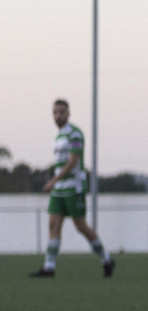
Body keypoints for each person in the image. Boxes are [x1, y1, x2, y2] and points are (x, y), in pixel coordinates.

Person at [30, 99, 115, 278]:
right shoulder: (59, 136)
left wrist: (53, 180)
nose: (58, 116)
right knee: (53, 225)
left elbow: (74, 160)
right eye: (55, 112)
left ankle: (107, 260)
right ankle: (49, 268)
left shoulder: (75, 134)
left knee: (81, 227)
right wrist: (55, 182)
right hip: (59, 189)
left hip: (73, 188)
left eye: (61, 112)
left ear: (68, 113)